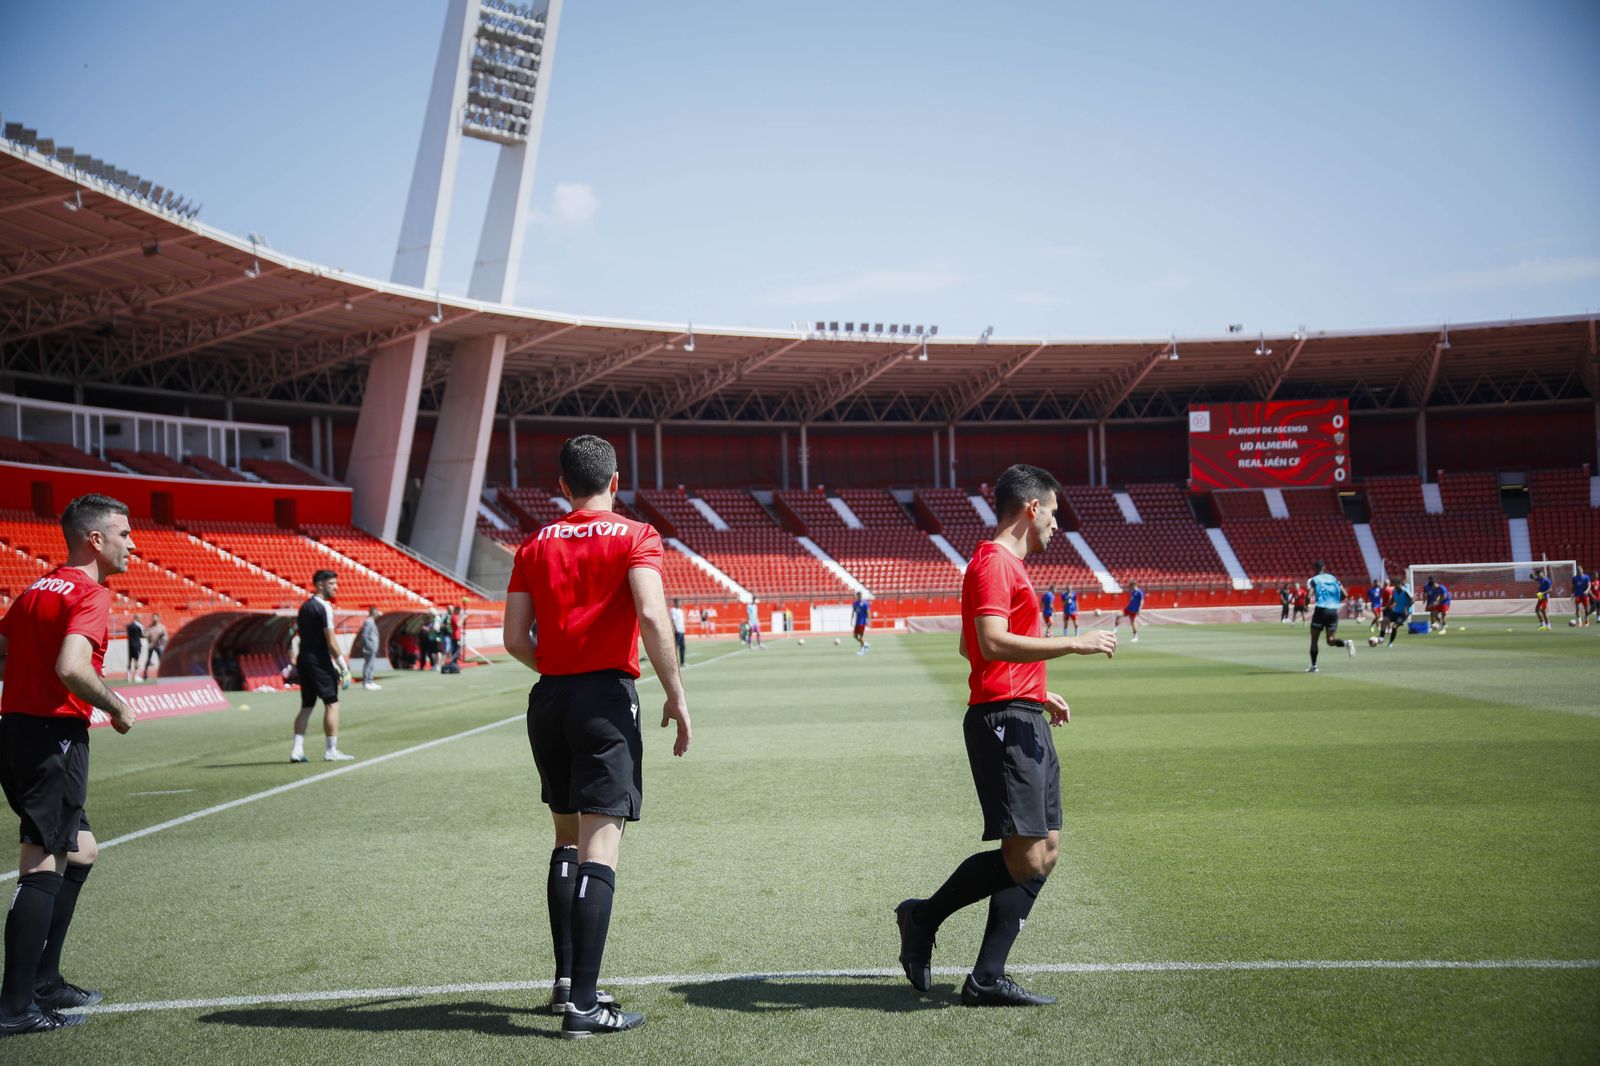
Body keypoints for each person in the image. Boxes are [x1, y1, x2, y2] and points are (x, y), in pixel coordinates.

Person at [895, 464, 1116, 1008]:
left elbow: (970, 648)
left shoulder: (1006, 566)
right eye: (1054, 513)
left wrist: (1036, 690)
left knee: (1046, 850)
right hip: (1001, 723)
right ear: (1031, 508)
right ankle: (922, 918)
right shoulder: (994, 562)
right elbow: (990, 642)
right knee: (1023, 858)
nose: (1057, 525)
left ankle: (986, 977)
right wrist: (1074, 643)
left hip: (1022, 713)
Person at [503, 434, 691, 1038]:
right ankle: (585, 1007)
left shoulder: (534, 543)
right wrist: (676, 694)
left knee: (565, 840)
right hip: (605, 702)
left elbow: (514, 639)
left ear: (563, 486)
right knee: (600, 849)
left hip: (548, 701)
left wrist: (559, 668)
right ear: (615, 481)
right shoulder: (637, 535)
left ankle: (566, 984)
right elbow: (652, 614)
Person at [0, 493, 139, 1037]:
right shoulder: (89, 592)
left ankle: (46, 979)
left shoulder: (38, 586)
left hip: (18, 731)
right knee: (41, 863)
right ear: (95, 540)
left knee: (81, 850)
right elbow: (72, 667)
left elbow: (4, 648)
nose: (132, 544)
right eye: (124, 534)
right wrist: (117, 706)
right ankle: (15, 1008)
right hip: (51, 736)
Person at [290, 571, 354, 763]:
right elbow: (331, 641)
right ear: (319, 585)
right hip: (318, 660)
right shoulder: (324, 607)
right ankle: (331, 750)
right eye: (332, 583)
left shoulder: (304, 607)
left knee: (307, 705)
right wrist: (343, 666)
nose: (336, 587)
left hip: (304, 658)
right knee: (332, 703)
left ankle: (297, 750)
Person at [1305, 561, 1355, 673]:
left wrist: (1305, 604)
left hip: (1320, 610)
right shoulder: (1333, 578)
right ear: (1324, 568)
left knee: (1314, 640)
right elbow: (1345, 595)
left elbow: (1308, 596)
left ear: (1314, 568)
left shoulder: (1313, 580)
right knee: (1330, 640)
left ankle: (1314, 666)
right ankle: (1346, 643)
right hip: (1333, 611)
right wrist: (1334, 601)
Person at [1383, 579, 1415, 648]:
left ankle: (1390, 643)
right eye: (1395, 584)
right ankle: (1381, 637)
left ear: (1400, 585)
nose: (1396, 586)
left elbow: (1413, 599)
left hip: (1403, 614)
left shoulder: (1405, 591)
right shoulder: (1395, 591)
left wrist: (1407, 607)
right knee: (1385, 620)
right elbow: (1392, 601)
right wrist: (1386, 607)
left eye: (1397, 584)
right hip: (1396, 612)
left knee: (1394, 627)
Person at [356, 607, 381, 690]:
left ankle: (370, 681)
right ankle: (366, 682)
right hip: (369, 647)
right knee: (368, 664)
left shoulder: (371, 621)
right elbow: (364, 635)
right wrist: (367, 645)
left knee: (371, 664)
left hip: (372, 646)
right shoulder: (368, 622)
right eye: (377, 612)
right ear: (374, 613)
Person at [141, 612, 166, 680]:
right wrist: (146, 634)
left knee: (161, 660)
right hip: (151, 645)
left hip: (158, 646)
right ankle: (145, 675)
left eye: (155, 617)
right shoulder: (149, 627)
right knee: (148, 660)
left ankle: (163, 673)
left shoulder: (162, 627)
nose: (154, 618)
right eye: (153, 617)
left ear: (158, 618)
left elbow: (165, 637)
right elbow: (144, 635)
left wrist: (162, 639)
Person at [124, 614, 144, 683]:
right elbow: (142, 635)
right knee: (137, 661)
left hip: (130, 644)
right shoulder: (139, 626)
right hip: (137, 644)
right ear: (137, 618)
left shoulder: (129, 626)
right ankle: (136, 676)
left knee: (129, 661)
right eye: (140, 618)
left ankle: (128, 677)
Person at [669, 598, 687, 667]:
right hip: (677, 631)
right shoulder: (673, 610)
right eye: (678, 602)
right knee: (675, 647)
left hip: (682, 630)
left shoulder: (680, 610)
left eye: (680, 602)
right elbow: (673, 620)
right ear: (675, 603)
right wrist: (675, 629)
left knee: (682, 647)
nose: (679, 603)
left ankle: (682, 662)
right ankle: (671, 662)